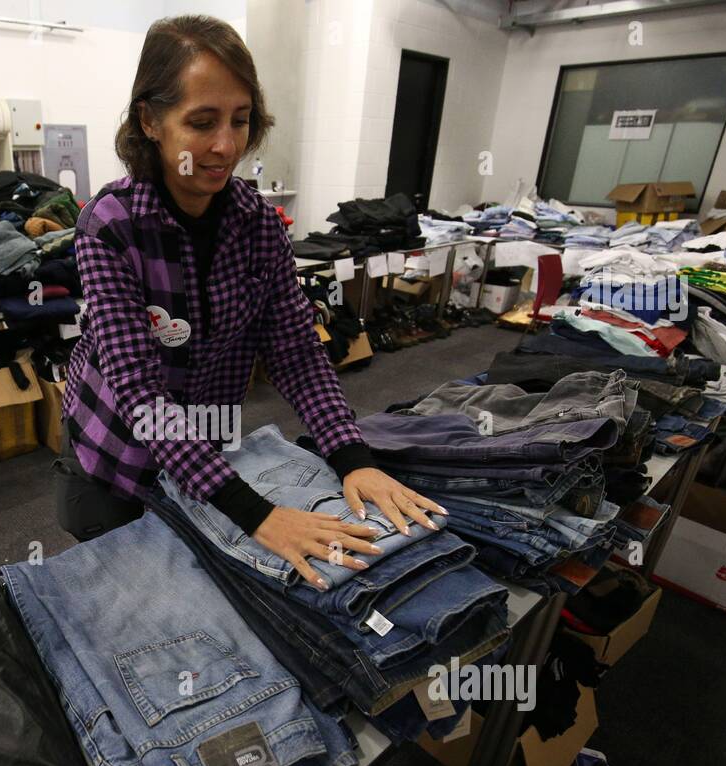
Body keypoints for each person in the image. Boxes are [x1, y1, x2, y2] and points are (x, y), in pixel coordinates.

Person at [56, 14, 445, 590]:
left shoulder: (257, 224)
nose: (225, 145)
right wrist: (257, 514)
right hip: (120, 462)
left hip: (209, 452)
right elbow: (138, 393)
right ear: (150, 120)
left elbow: (296, 353)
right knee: (135, 595)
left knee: (211, 586)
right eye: (202, 122)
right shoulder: (110, 226)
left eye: (240, 121)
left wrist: (353, 457)